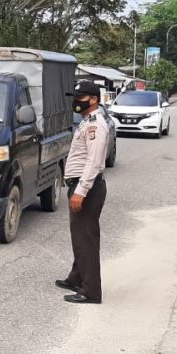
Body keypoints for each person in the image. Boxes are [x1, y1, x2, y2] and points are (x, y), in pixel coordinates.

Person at [56, 81, 109, 304]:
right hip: (81, 185)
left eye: (81, 97)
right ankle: (76, 277)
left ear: (93, 100)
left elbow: (93, 162)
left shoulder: (96, 125)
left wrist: (81, 191)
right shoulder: (87, 122)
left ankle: (91, 292)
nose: (76, 101)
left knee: (85, 239)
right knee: (80, 237)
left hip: (86, 187)